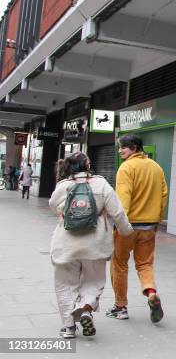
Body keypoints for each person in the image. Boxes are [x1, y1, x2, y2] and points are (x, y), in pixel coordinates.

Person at [49, 152, 133, 339]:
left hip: (66, 244)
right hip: (95, 244)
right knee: (93, 281)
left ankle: (69, 327)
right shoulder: (101, 184)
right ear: (87, 165)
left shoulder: (63, 186)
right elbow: (117, 213)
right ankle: (85, 308)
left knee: (64, 284)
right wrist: (127, 232)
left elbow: (53, 206)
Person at [106, 134, 168, 323]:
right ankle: (150, 293)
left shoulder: (126, 168)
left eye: (122, 147)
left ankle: (120, 307)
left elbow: (123, 199)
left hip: (128, 226)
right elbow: (164, 195)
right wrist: (156, 219)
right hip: (149, 227)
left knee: (119, 264)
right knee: (145, 264)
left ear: (133, 148)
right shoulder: (156, 167)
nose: (119, 151)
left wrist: (118, 224)